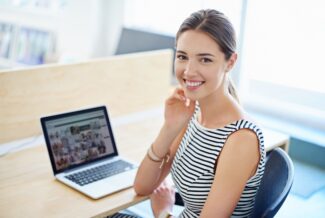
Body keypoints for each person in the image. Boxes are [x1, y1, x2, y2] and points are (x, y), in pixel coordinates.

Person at [133, 9, 266, 218]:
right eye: (182, 57)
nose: (189, 71)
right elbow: (142, 186)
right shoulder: (192, 113)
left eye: (205, 60)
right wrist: (169, 128)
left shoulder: (241, 139)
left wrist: (163, 213)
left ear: (230, 62)